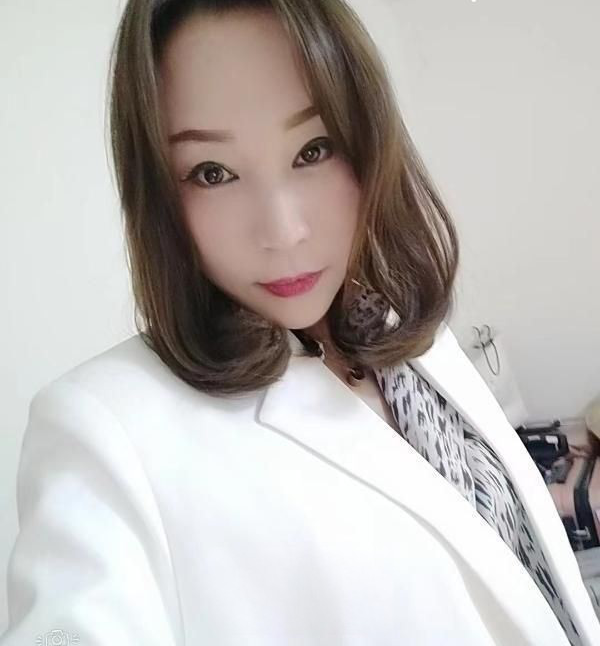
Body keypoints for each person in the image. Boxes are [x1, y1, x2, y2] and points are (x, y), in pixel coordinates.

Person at [2, 1, 599, 644]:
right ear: (157, 193)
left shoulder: (396, 329)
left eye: (314, 149)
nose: (284, 231)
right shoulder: (104, 432)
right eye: (212, 173)